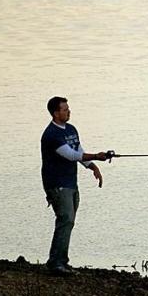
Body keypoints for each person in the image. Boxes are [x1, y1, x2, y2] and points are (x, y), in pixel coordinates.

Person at [40, 96, 110, 274]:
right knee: (66, 219)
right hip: (57, 183)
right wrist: (96, 156)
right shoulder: (51, 135)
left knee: (68, 222)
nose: (68, 111)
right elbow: (70, 155)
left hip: (71, 182)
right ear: (56, 113)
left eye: (68, 108)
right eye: (64, 109)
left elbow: (78, 152)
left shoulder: (71, 129)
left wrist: (93, 166)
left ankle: (60, 261)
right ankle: (56, 263)